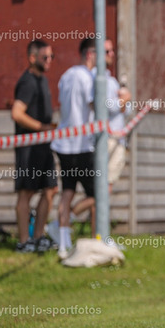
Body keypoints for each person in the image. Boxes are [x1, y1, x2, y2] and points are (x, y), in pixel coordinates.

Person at [69, 39, 131, 222]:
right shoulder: (95, 79)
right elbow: (106, 107)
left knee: (103, 190)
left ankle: (97, 233)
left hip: (115, 139)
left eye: (112, 51)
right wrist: (123, 100)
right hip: (105, 139)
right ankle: (66, 219)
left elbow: (126, 110)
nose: (111, 55)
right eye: (107, 52)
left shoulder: (110, 79)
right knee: (102, 190)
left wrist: (124, 101)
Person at [50, 38, 97, 258]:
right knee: (98, 195)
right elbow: (94, 104)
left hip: (64, 142)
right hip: (81, 144)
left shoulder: (66, 75)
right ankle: (96, 237)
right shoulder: (87, 77)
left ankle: (63, 243)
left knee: (67, 191)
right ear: (90, 54)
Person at [11, 39, 57, 253]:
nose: (49, 60)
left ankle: (38, 237)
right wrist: (41, 127)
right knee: (26, 193)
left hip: (43, 145)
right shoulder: (28, 82)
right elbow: (17, 113)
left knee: (50, 189)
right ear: (32, 58)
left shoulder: (42, 80)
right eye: (45, 57)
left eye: (51, 56)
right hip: (29, 146)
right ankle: (24, 242)